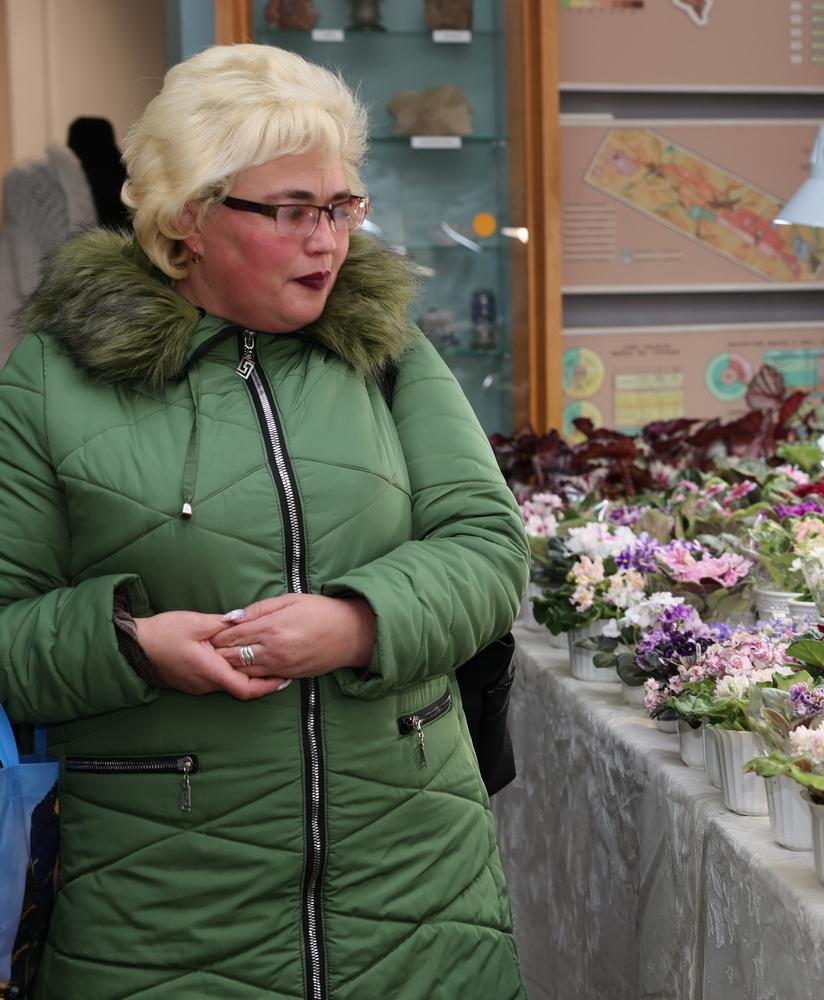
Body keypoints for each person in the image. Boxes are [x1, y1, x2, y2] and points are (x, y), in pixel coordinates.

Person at [0, 45, 528, 999]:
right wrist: (130, 643)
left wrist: (362, 621)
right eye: (291, 211)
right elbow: (6, 629)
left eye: (341, 206)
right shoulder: (51, 380)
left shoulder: (385, 347)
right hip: (160, 911)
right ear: (188, 218)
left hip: (419, 898)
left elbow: (488, 549)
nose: (327, 240)